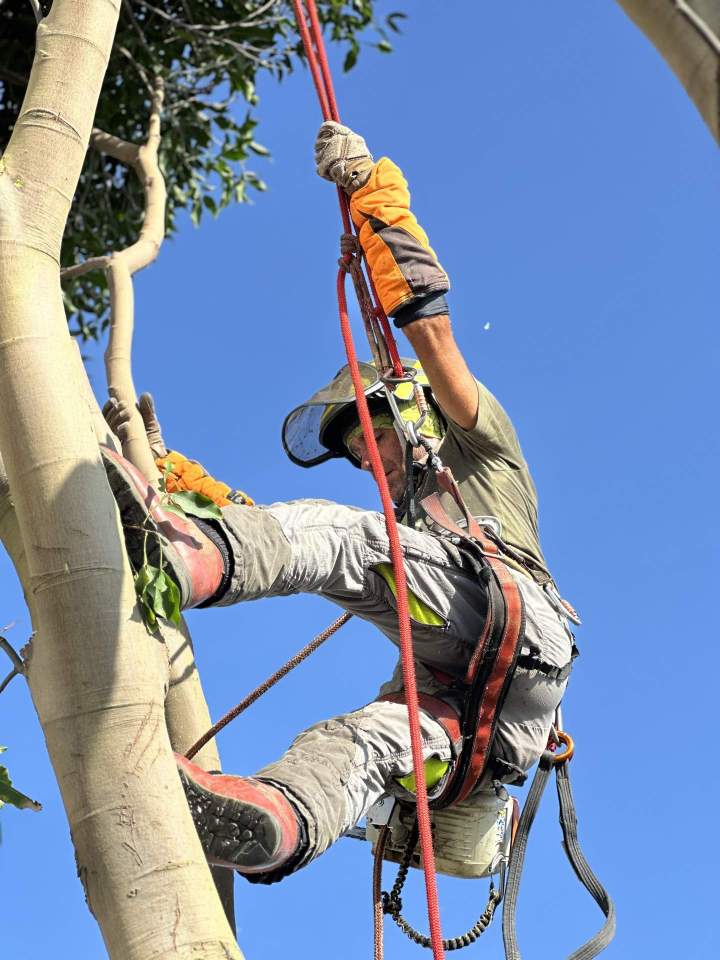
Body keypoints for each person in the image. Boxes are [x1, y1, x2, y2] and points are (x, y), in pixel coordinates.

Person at [103, 122, 576, 884]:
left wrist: (373, 197)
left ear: (409, 411)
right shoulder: (406, 529)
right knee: (362, 741)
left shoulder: (478, 445)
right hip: (476, 730)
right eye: (351, 449)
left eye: (369, 432)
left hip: (519, 623)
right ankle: (274, 822)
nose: (361, 455)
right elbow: (274, 531)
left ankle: (168, 551)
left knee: (349, 538)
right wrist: (168, 475)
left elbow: (433, 335)